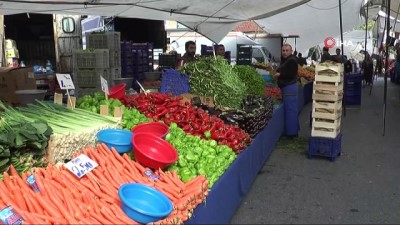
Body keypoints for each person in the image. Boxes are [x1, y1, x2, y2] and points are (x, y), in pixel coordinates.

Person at [275, 43, 299, 138]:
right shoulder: (286, 60)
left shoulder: (292, 60)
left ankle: (291, 133)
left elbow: (291, 73)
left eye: (286, 50)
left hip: (289, 89)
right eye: (283, 50)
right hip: (287, 89)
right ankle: (292, 131)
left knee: (290, 111)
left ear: (291, 51)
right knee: (291, 110)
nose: (284, 52)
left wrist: (279, 75)